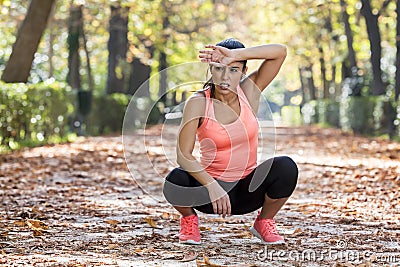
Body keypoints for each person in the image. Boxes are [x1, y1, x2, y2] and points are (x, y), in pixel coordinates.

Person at [162, 38, 298, 245]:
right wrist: (212, 185)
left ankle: (264, 222)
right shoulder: (198, 102)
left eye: (234, 70)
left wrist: (235, 55)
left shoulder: (250, 92)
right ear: (211, 68)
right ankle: (189, 220)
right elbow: (183, 155)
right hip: (208, 194)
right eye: (218, 68)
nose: (225, 77)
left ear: (243, 71)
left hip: (247, 191)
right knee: (174, 180)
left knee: (286, 166)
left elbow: (280, 51)